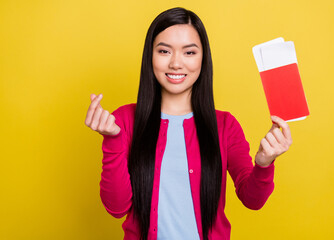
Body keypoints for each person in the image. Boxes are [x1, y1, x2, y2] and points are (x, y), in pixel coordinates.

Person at [84, 7, 292, 240]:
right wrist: (112, 139)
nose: (176, 63)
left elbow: (253, 200)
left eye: (189, 53)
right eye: (164, 51)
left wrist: (264, 164)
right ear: (149, 56)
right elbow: (117, 207)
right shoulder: (125, 120)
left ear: (203, 59)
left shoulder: (225, 125)